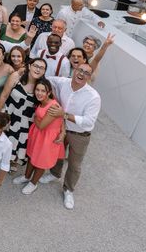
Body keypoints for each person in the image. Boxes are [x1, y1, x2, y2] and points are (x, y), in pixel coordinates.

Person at [39, 63, 101, 210]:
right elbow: (45, 79)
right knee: (58, 154)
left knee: (75, 164)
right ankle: (55, 174)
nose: (82, 74)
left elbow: (88, 122)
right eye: (80, 70)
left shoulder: (93, 97)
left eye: (86, 73)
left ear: (89, 77)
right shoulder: (63, 82)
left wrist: (64, 115)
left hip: (79, 134)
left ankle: (68, 190)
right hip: (61, 127)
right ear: (74, 70)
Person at [13, 79, 65, 195]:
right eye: (37, 90)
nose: (39, 93)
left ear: (49, 92)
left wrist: (35, 117)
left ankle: (33, 183)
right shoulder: (42, 102)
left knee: (41, 162)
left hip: (47, 137)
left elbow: (41, 125)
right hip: (38, 135)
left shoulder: (53, 106)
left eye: (43, 91)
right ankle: (26, 177)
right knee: (32, 156)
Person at [0, 58, 46, 167]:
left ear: (44, 72)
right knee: (3, 140)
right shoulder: (16, 77)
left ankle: (13, 161)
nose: (38, 69)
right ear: (29, 66)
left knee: (18, 143)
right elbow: (4, 95)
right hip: (10, 115)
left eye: (41, 68)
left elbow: (48, 103)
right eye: (35, 66)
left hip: (26, 121)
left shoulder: (42, 86)